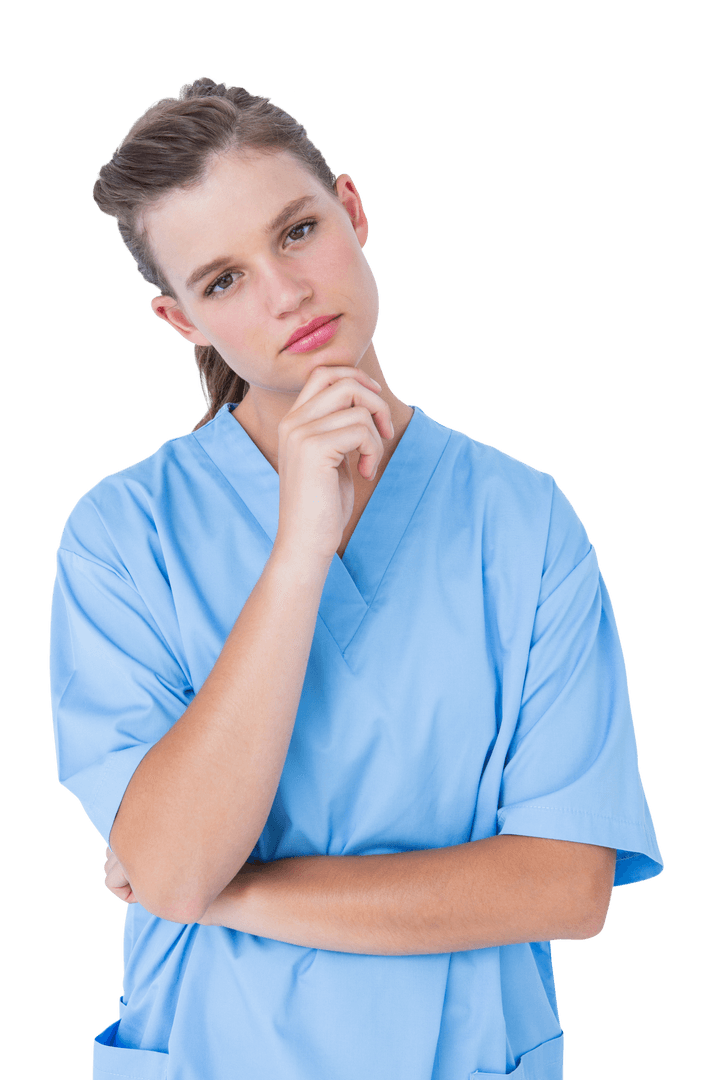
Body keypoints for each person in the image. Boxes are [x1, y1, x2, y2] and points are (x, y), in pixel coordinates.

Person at [49, 76, 663, 1080]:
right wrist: (298, 556)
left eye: (295, 232)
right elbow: (168, 864)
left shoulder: (523, 520)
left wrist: (232, 895)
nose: (285, 294)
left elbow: (566, 885)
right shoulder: (123, 537)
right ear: (182, 323)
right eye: (222, 280)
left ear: (354, 208)